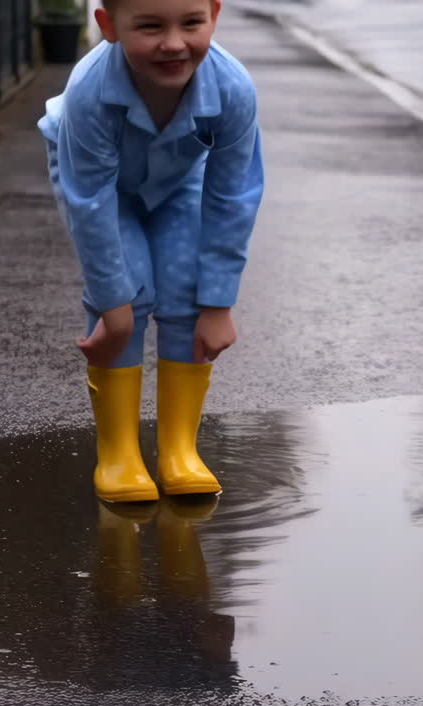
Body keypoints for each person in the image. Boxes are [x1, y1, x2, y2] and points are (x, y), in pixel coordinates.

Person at [39, 0, 264, 503]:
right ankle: (119, 452)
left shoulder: (232, 88)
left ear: (215, 15)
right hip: (102, 190)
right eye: (149, 26)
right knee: (129, 290)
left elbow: (232, 197)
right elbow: (91, 203)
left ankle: (178, 450)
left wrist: (218, 304)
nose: (173, 43)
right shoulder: (90, 90)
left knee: (186, 290)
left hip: (179, 181)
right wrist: (114, 313)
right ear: (108, 26)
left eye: (191, 23)